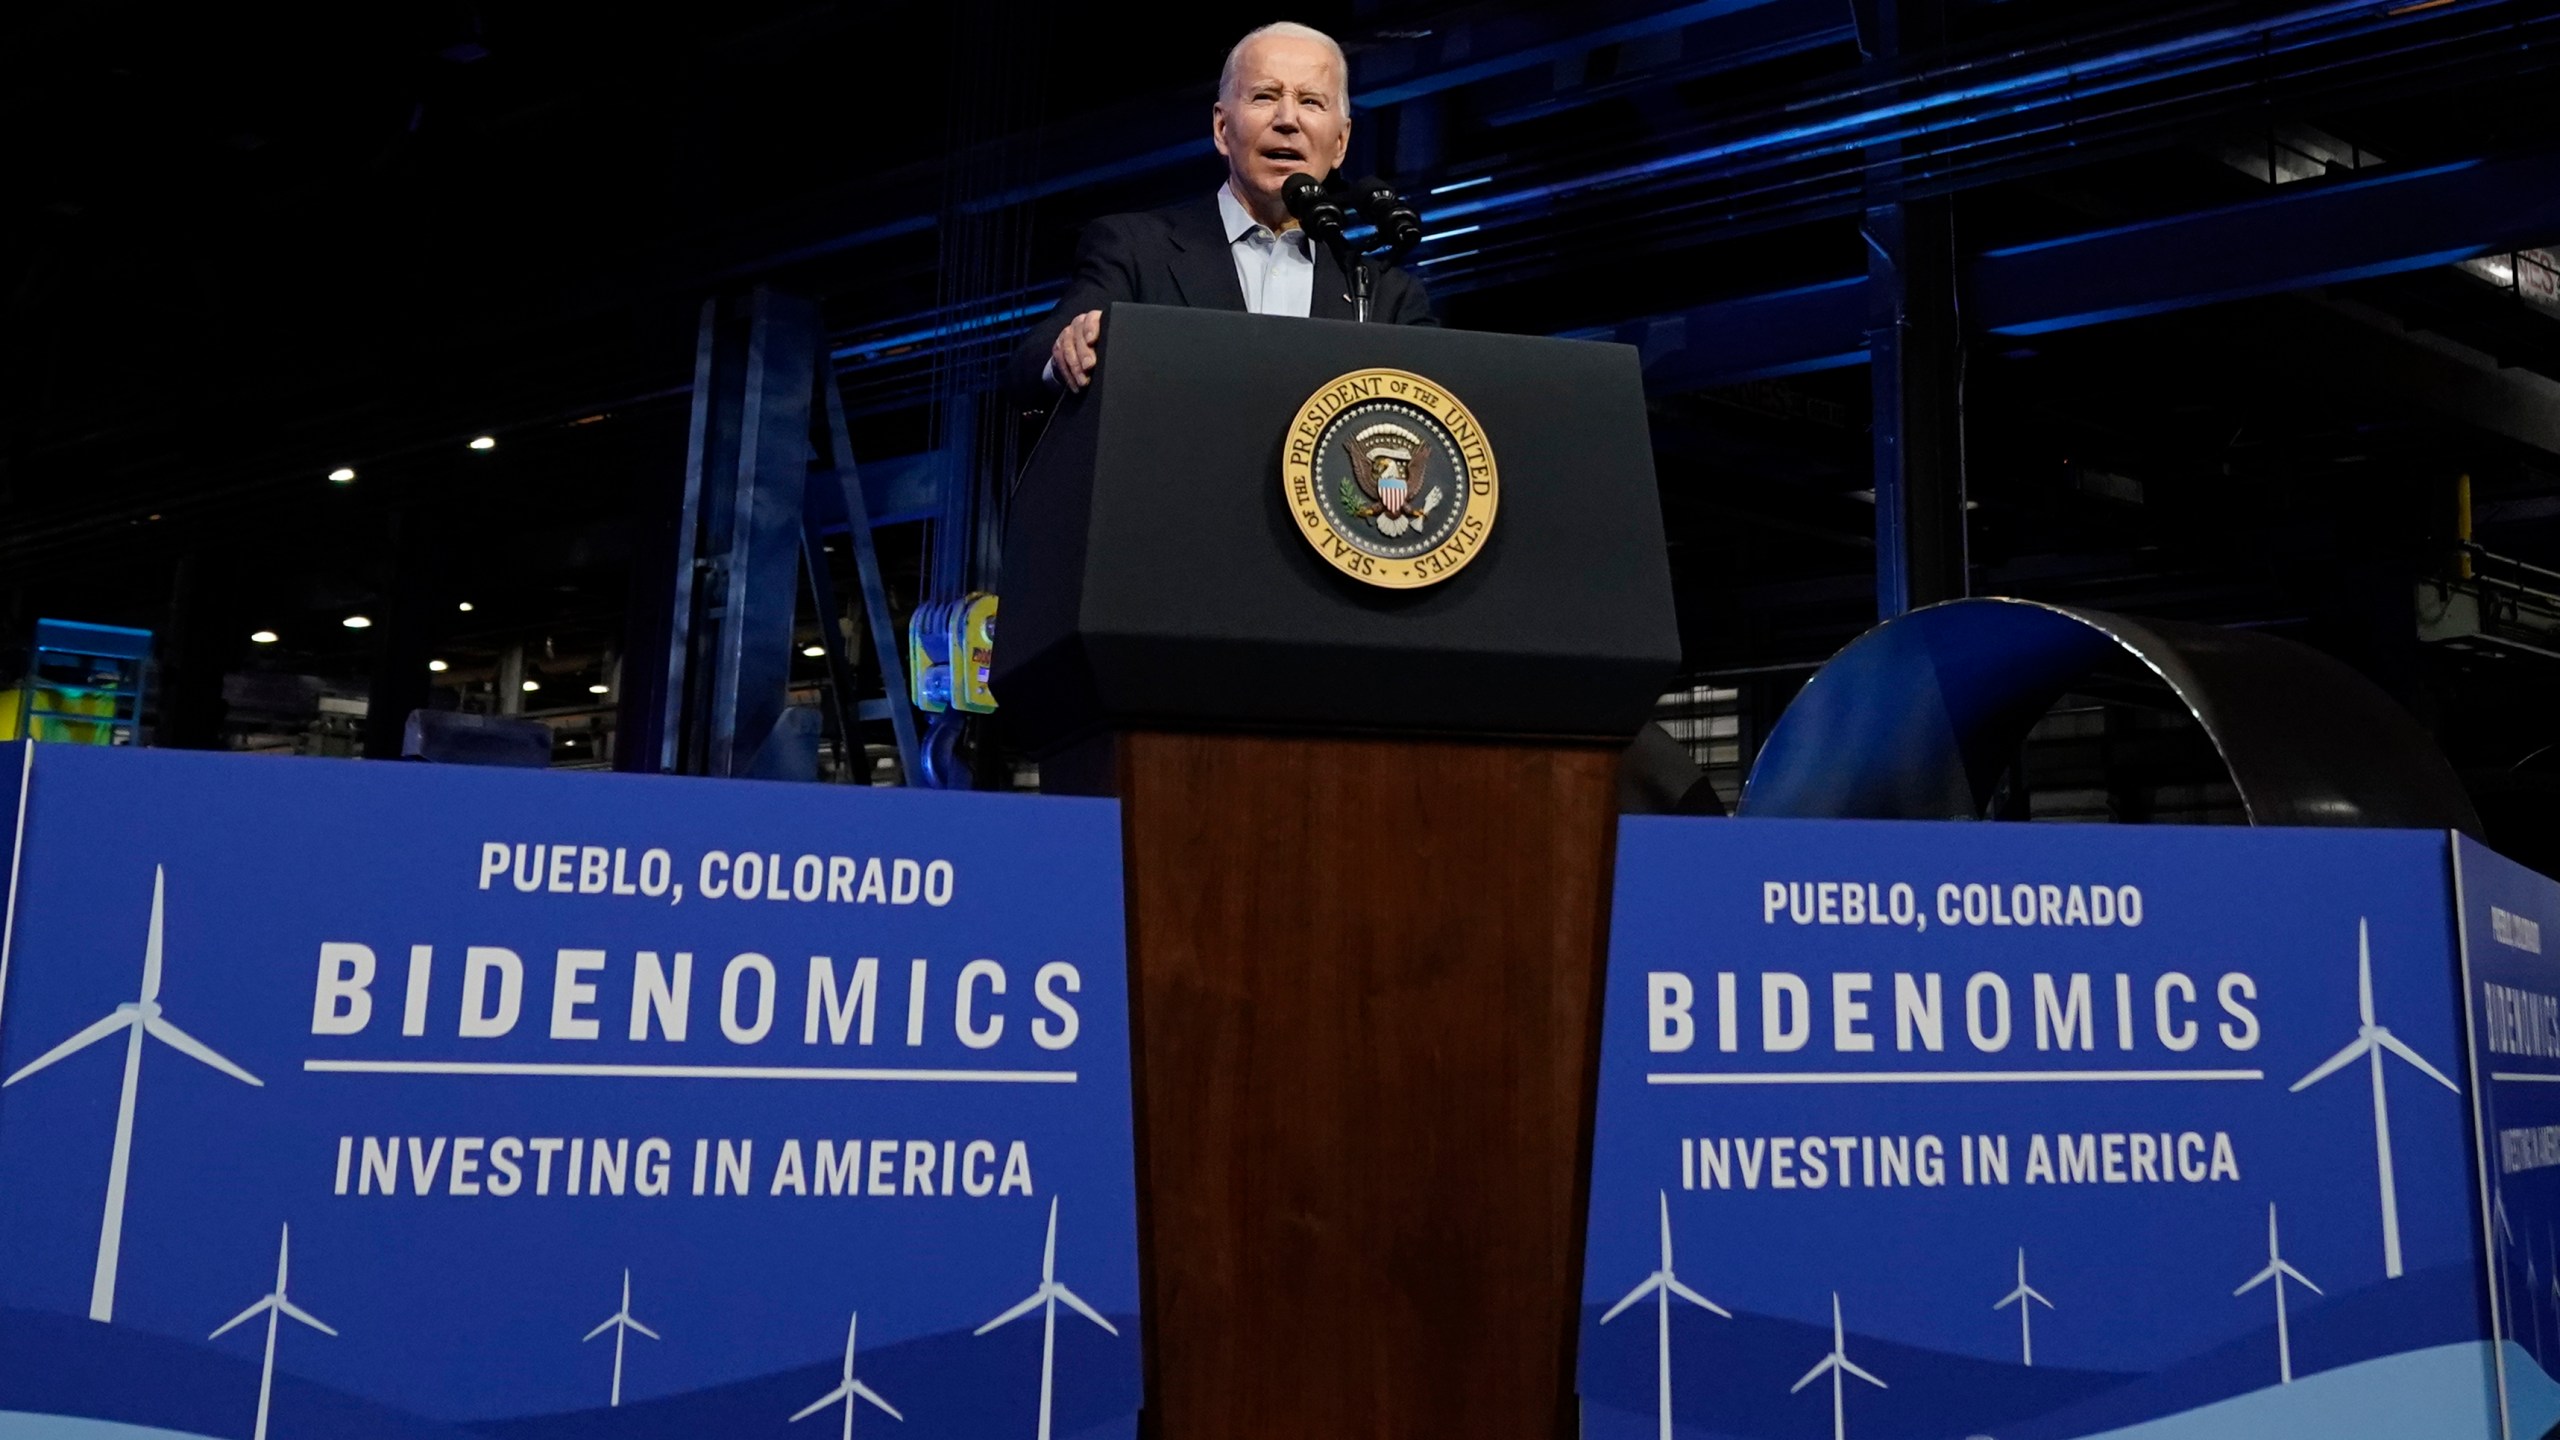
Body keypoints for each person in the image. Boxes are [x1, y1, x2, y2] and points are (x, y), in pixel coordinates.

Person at [1009, 21, 1437, 396]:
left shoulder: (1385, 295)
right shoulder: (1137, 250)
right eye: (1265, 96)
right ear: (1221, 127)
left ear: (1340, 142)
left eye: (1311, 102)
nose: (1287, 119)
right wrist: (1068, 351)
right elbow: (1031, 364)